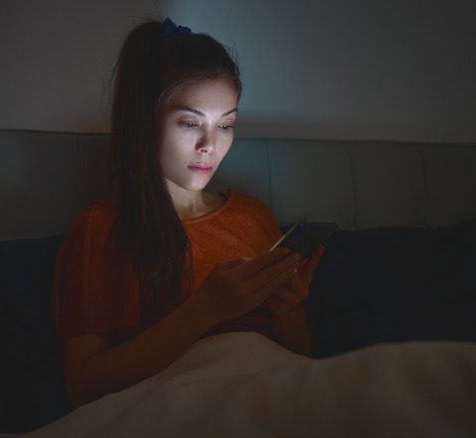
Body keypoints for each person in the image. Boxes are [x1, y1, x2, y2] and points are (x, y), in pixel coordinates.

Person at [51, 18, 324, 407]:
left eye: (226, 124)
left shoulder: (251, 215)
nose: (209, 145)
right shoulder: (105, 229)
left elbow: (301, 357)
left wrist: (289, 308)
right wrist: (206, 309)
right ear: (146, 122)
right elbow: (83, 385)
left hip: (277, 393)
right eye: (190, 122)